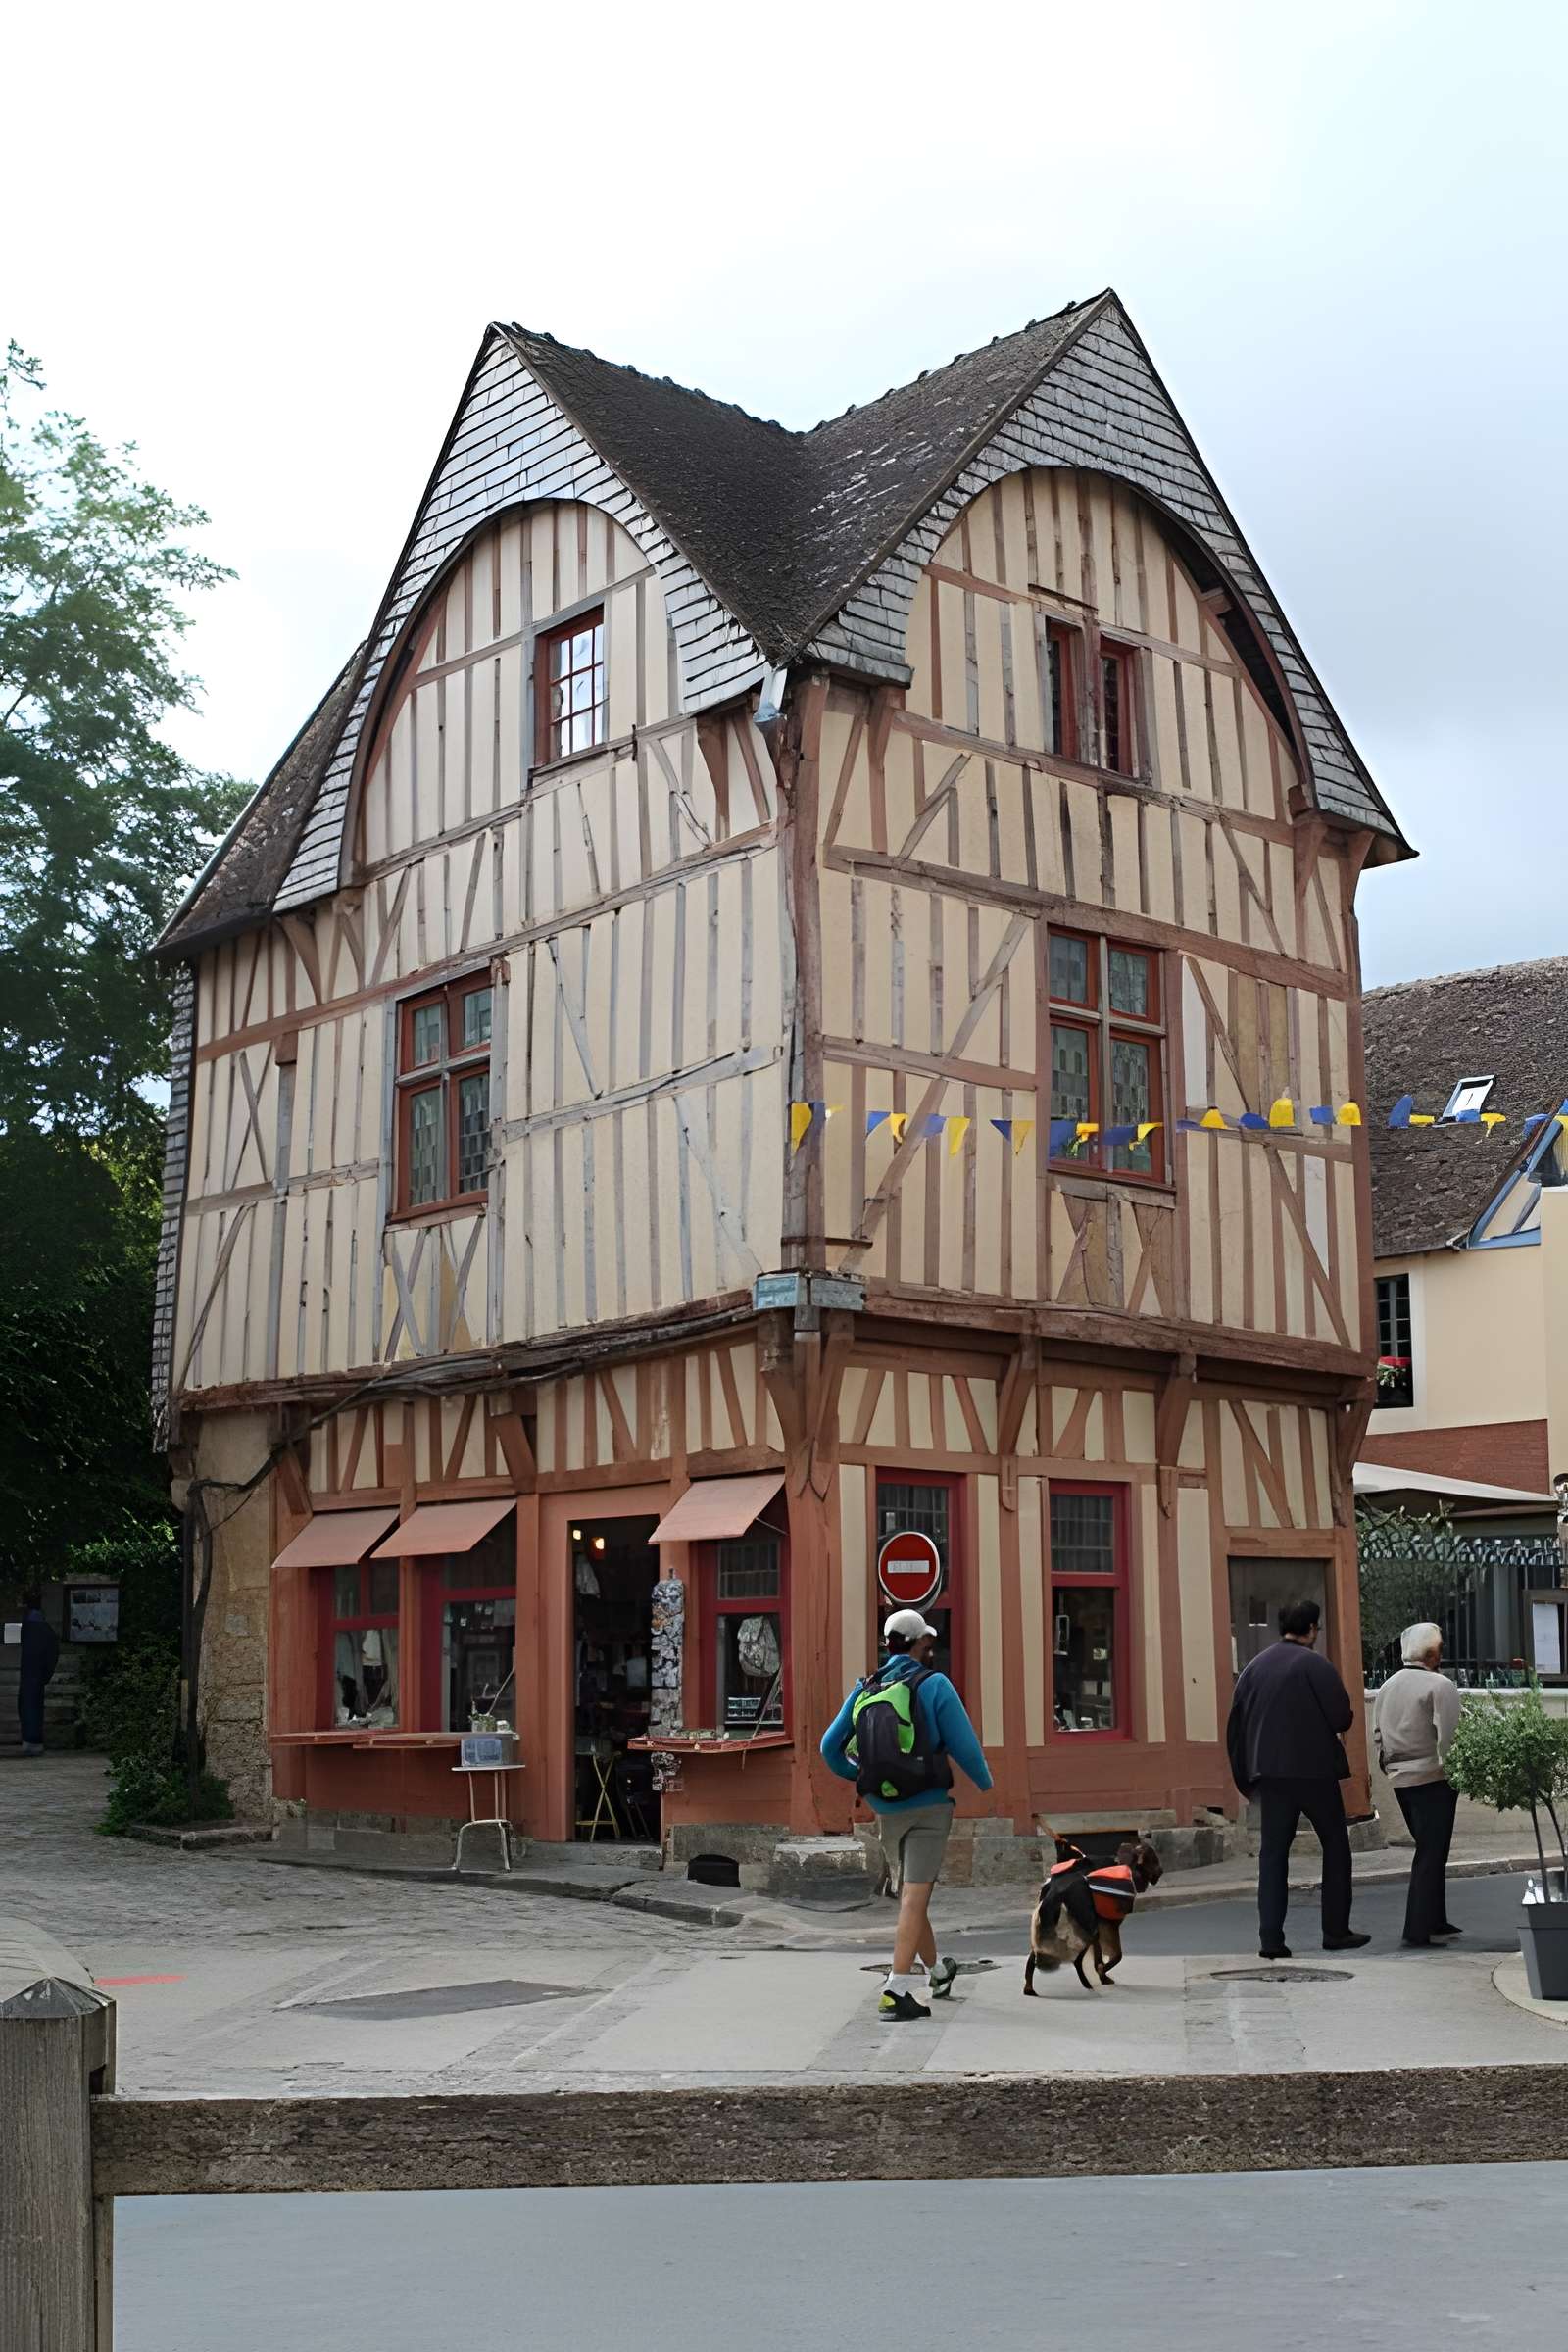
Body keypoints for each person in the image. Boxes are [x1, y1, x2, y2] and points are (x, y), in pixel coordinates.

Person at [821, 1607, 994, 2020]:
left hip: (886, 1805)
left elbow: (829, 1747)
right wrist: (986, 1786)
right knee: (915, 1897)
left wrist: (861, 1776)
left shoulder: (867, 1687)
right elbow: (963, 1745)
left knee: (911, 1896)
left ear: (887, 1645)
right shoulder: (935, 1684)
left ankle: (938, 1970)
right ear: (922, 1645)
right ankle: (896, 1988)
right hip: (929, 1804)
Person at [1226, 1597, 1370, 1960]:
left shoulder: (1253, 1668)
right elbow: (1342, 1717)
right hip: (1314, 1772)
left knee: (1273, 1854)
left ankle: (1270, 1939)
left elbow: (1235, 1726)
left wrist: (1247, 1776)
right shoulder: (1316, 1666)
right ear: (1312, 1630)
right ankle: (1335, 1931)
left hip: (1270, 1775)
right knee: (1335, 1847)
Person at [1372, 1620, 1462, 1948]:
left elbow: (1377, 1733)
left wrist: (1389, 1764)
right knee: (1431, 1851)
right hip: (1433, 1776)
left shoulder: (1388, 1685)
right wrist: (1454, 1772)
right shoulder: (1440, 1686)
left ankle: (1436, 1919)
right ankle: (1418, 1926)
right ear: (1433, 1651)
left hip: (1400, 1778)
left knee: (1430, 1847)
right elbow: (1449, 1736)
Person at [17, 1592, 60, 1757]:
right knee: (32, 1706)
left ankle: (31, 1741)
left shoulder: (32, 1624)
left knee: (27, 1706)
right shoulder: (42, 1626)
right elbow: (52, 1652)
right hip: (35, 1674)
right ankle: (33, 1741)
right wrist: (45, 1674)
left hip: (30, 1674)